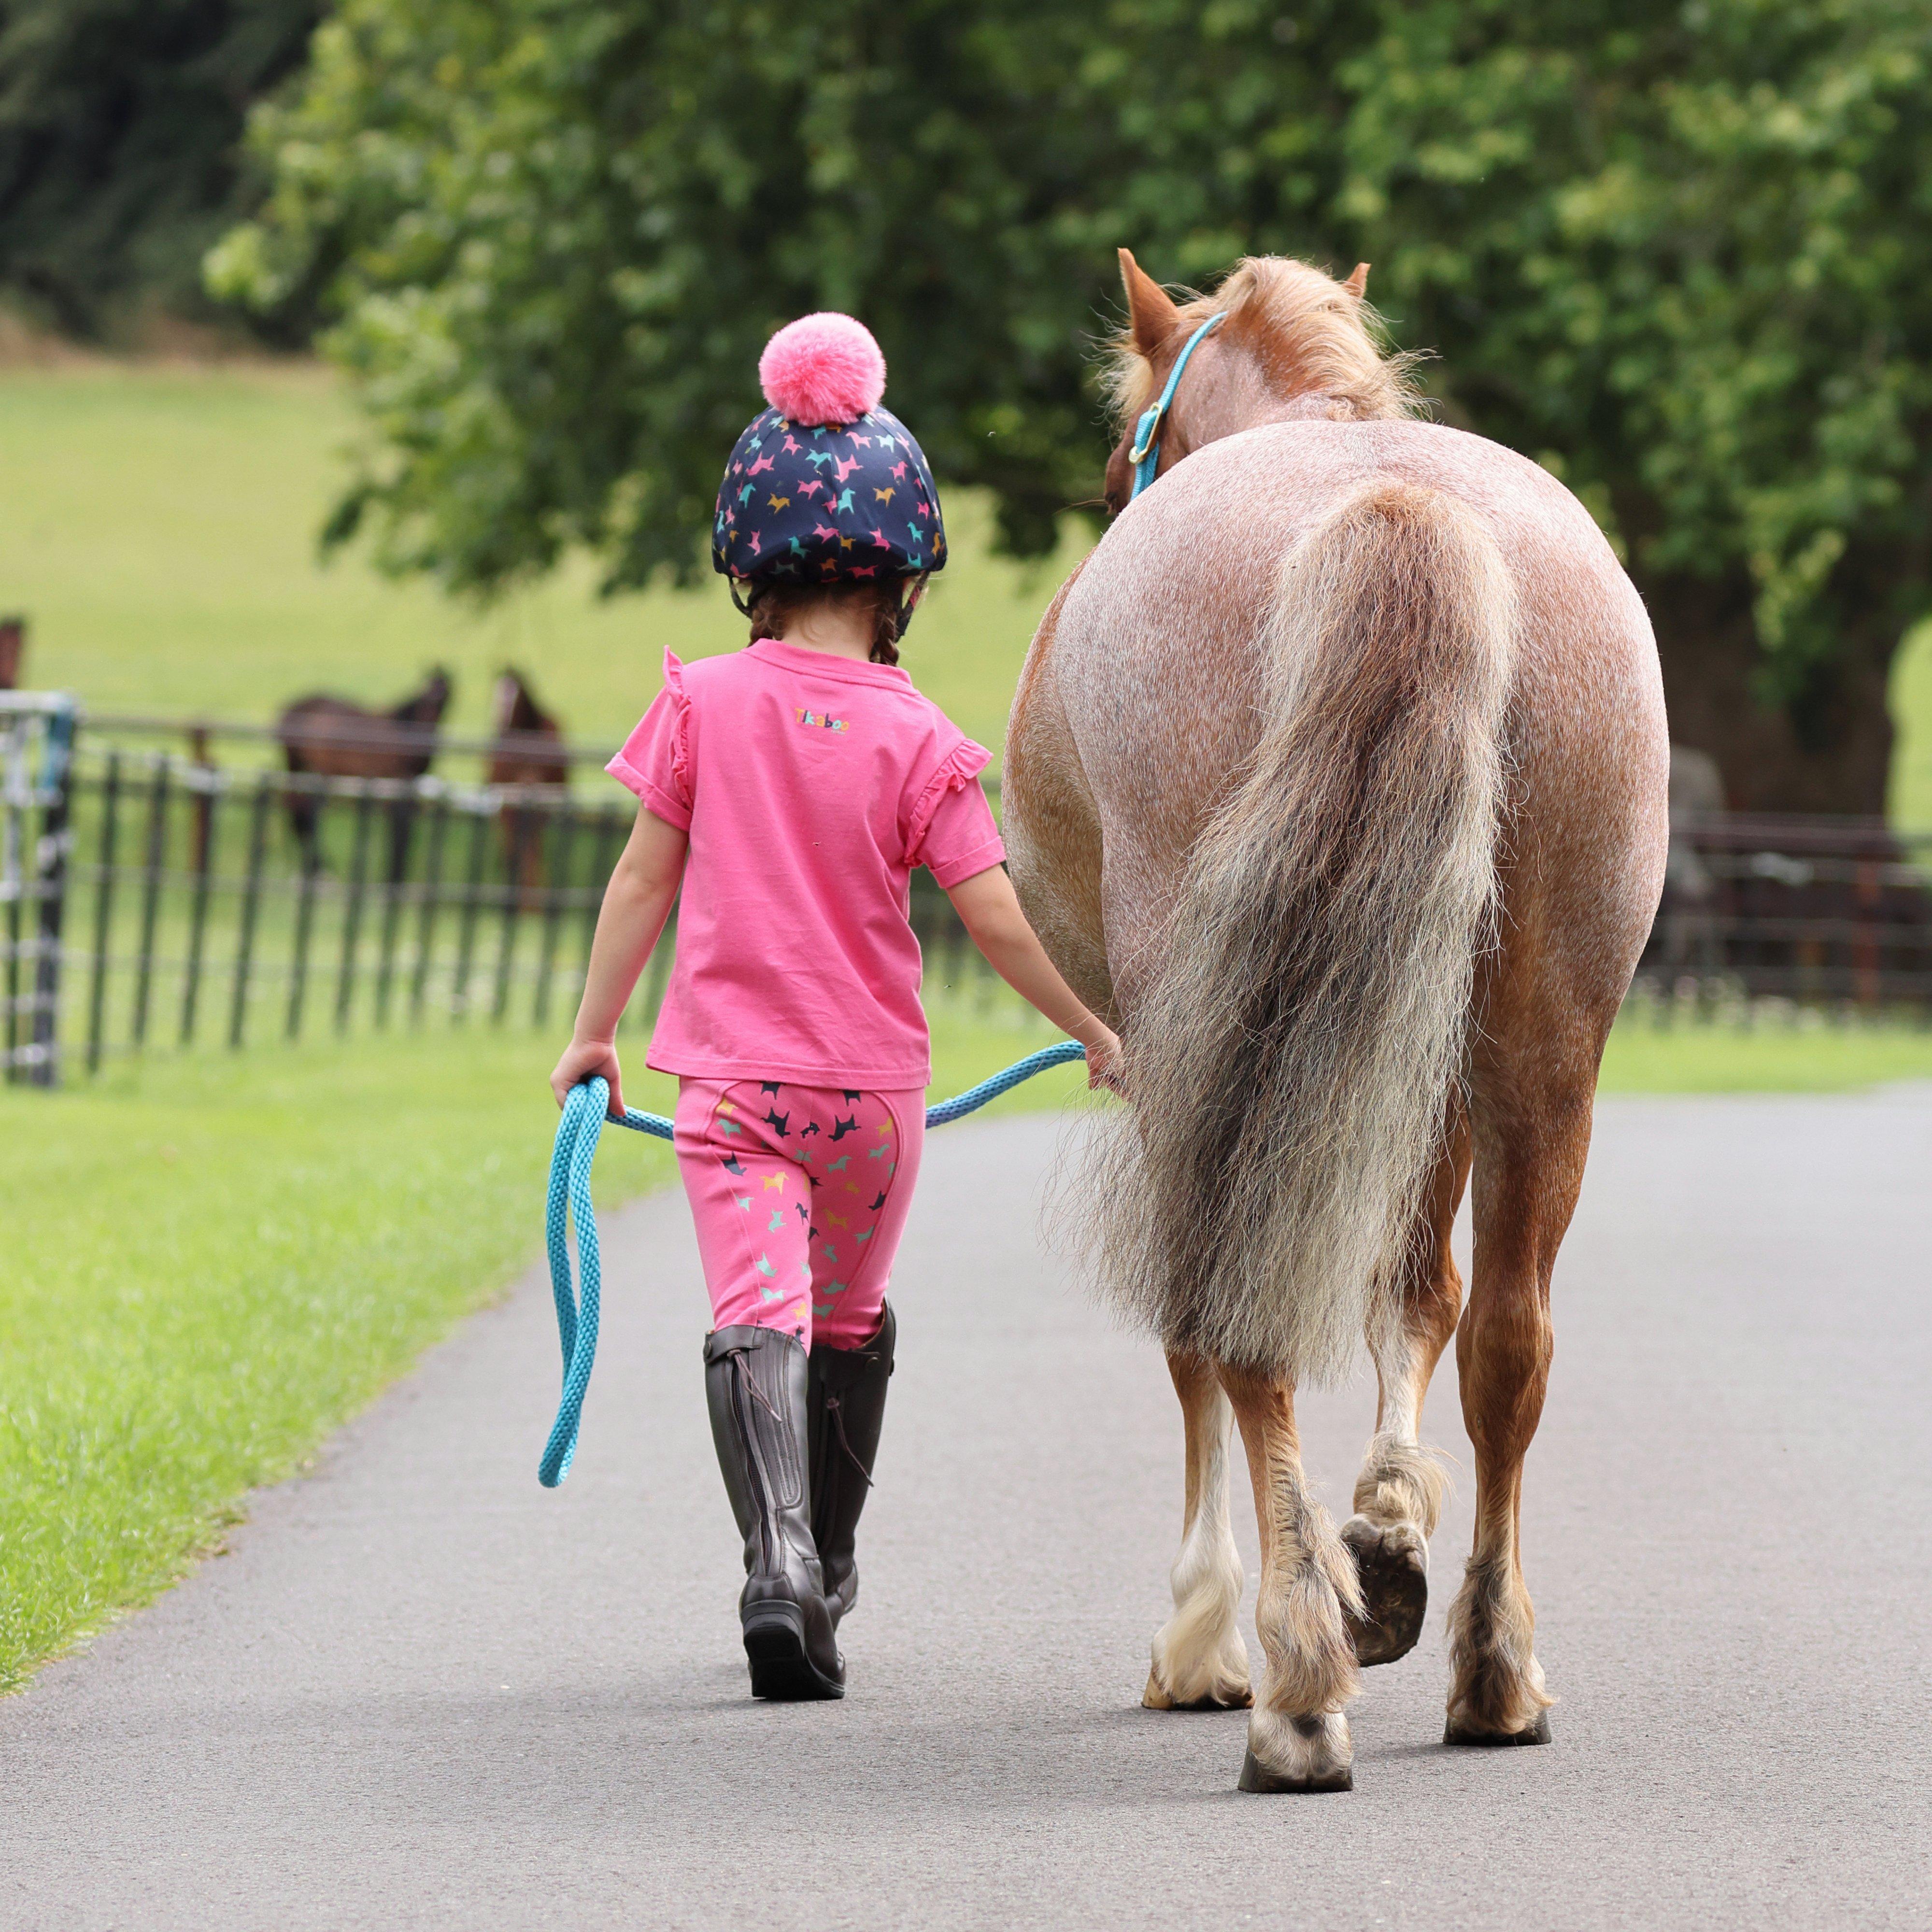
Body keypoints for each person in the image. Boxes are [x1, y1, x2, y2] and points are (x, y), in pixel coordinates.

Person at [549, 312, 1123, 1703]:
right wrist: (1105, 1033)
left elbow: (639, 883)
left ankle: (779, 1566)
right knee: (849, 1323)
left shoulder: (701, 704)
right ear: (904, 582)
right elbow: (996, 919)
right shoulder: (924, 740)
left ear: (747, 560)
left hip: (733, 1094)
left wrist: (593, 1032)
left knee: (759, 1313)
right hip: (870, 1108)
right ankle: (834, 1571)